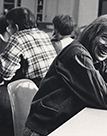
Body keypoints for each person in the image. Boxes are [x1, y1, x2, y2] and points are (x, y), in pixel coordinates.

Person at [23, 14, 107, 136]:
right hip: (45, 131)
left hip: (64, 127)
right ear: (92, 34)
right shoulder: (78, 55)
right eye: (105, 37)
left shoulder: (95, 59)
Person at [0, 7, 57, 136]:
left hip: (31, 90)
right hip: (49, 90)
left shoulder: (18, 38)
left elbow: (6, 73)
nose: (8, 30)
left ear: (16, 26)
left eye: (9, 26)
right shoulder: (43, 34)